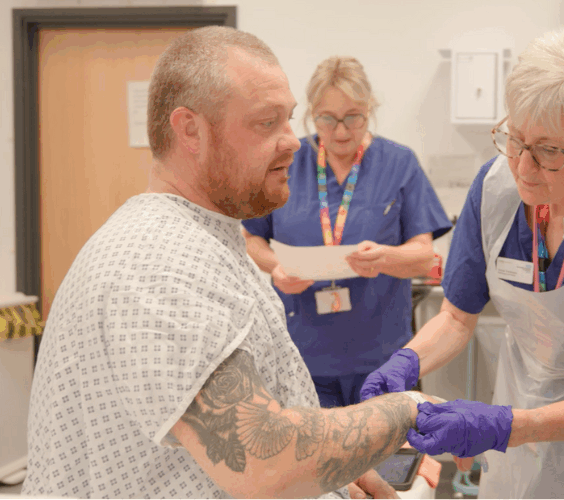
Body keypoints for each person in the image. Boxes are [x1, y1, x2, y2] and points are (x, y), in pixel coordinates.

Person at [22, 26, 436, 499]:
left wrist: (342, 473)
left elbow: (270, 426)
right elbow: (264, 462)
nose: (293, 142)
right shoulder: (158, 266)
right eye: (266, 123)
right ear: (190, 130)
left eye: (290, 120)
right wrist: (409, 411)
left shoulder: (208, 242)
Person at [361, 27, 564, 498]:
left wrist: (501, 426)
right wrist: (407, 361)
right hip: (522, 413)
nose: (522, 166)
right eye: (516, 139)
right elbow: (457, 316)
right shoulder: (495, 190)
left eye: (549, 152)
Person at [242, 56, 452, 409]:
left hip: (381, 357)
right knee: (316, 460)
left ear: (369, 109)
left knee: (383, 461)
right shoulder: (288, 162)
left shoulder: (399, 163)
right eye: (327, 119)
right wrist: (276, 267)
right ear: (311, 113)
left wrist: (385, 257)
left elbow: (423, 256)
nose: (340, 131)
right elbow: (251, 239)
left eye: (353, 117)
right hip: (304, 355)